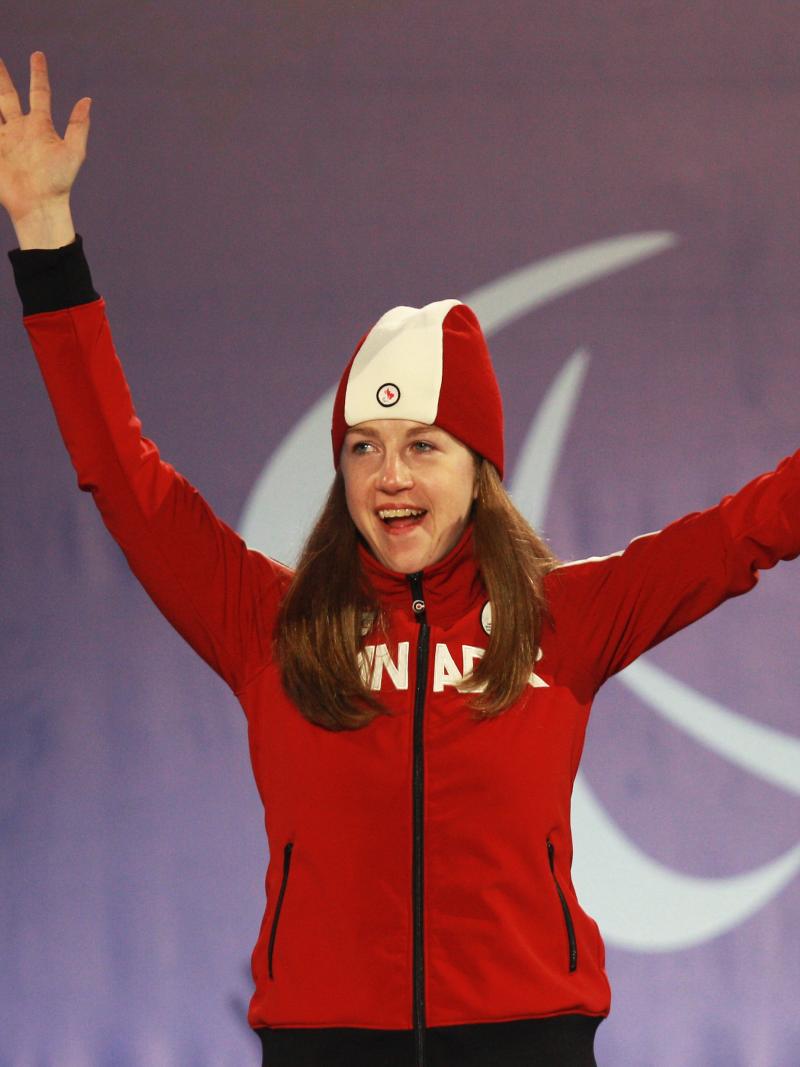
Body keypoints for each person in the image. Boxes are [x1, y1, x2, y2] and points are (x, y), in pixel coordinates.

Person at [2, 52, 798, 1067]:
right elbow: (123, 473)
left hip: (528, 1040)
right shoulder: (269, 623)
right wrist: (44, 237)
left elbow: (745, 530)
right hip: (323, 1044)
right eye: (363, 449)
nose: (389, 477)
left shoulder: (566, 618)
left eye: (423, 445)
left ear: (480, 469)